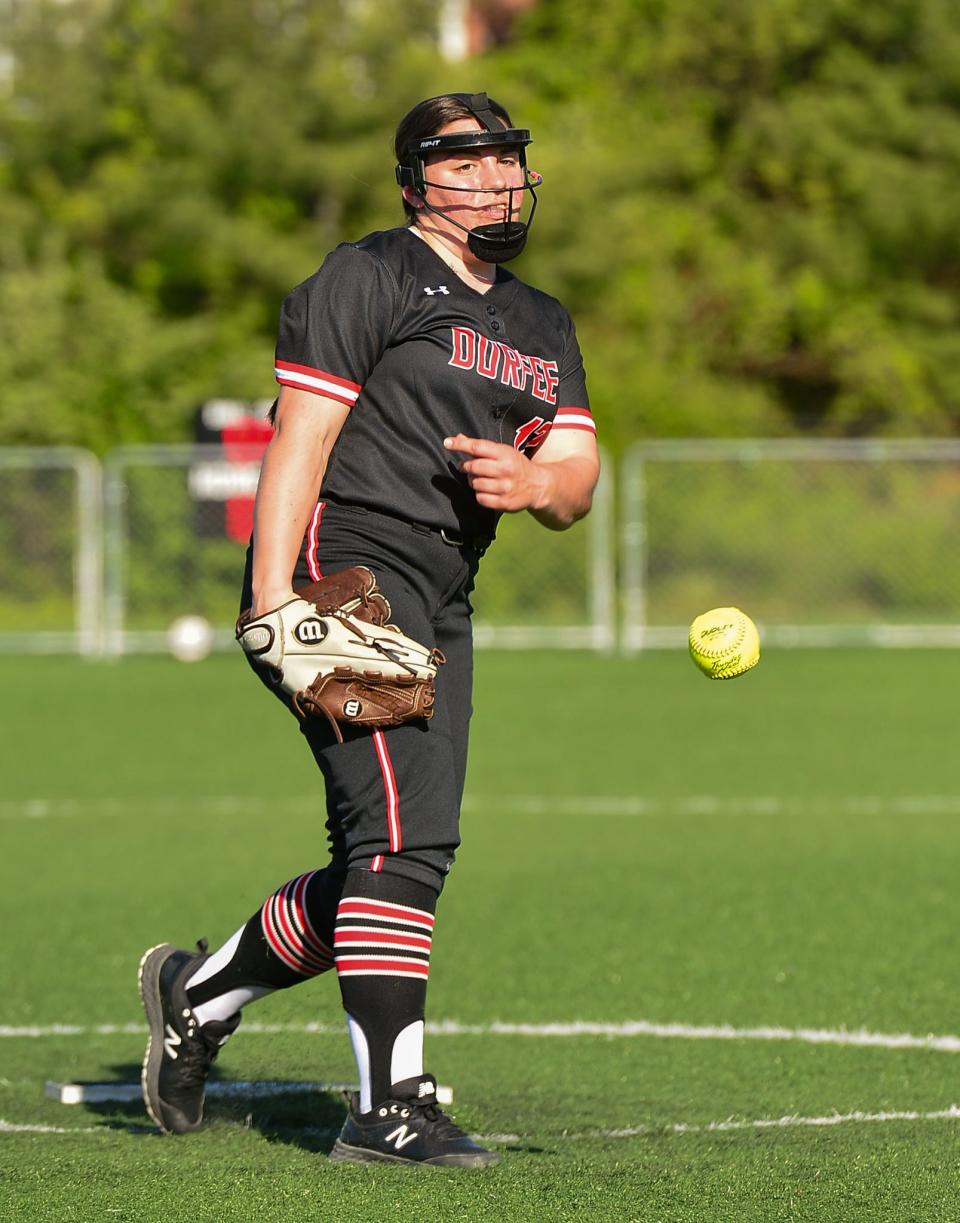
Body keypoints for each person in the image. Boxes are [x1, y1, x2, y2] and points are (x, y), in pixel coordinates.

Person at [138, 91, 599, 1168]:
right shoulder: (373, 274)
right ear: (413, 182)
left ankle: (195, 996)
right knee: (404, 842)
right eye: (463, 163)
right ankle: (389, 1106)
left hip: (442, 591)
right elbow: (303, 433)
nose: (492, 179)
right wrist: (269, 594)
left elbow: (577, 476)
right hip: (342, 567)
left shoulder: (540, 321)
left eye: (504, 160)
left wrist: (536, 481)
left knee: (387, 859)